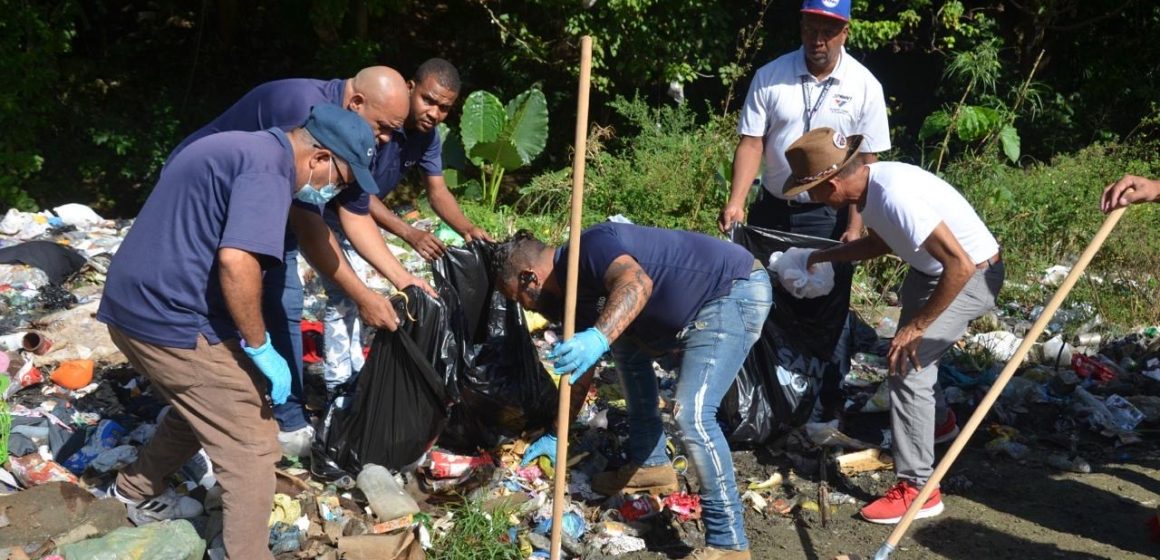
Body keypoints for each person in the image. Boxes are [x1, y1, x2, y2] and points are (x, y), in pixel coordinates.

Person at [97, 105, 380, 558]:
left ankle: (132, 490)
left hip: (139, 302)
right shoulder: (269, 171)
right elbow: (237, 261)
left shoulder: (247, 148)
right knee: (251, 441)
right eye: (342, 179)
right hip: (165, 316)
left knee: (210, 404)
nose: (337, 191)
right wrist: (259, 345)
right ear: (319, 158)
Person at [166, 66, 445, 455]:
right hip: (211, 202)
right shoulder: (301, 109)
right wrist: (363, 296)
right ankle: (245, 411)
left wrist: (404, 280)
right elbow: (310, 225)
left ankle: (282, 411)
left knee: (285, 302)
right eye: (382, 128)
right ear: (356, 103)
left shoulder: (350, 133)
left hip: (270, 208)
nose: (384, 140)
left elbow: (355, 212)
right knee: (232, 300)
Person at [495, 223, 773, 560]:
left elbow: (638, 283)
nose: (527, 308)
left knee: (693, 414)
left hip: (731, 291)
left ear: (529, 278)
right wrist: (557, 435)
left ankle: (729, 543)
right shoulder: (573, 298)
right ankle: (651, 462)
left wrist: (598, 337)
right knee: (622, 343)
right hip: (695, 307)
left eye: (519, 298)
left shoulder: (590, 248)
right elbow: (582, 373)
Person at [784, 127, 1004, 524]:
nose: (811, 199)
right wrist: (822, 255)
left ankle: (918, 488)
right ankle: (938, 424)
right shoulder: (870, 188)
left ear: (833, 183)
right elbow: (881, 243)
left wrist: (918, 326)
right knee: (908, 359)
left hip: (970, 278)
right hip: (932, 272)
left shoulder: (893, 195)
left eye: (813, 190)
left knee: (906, 366)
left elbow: (961, 265)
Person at [717, 0, 898, 427]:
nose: (818, 40)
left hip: (829, 216)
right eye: (811, 28)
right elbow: (752, 142)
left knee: (825, 309)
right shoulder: (771, 76)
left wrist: (856, 225)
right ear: (800, 25)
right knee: (763, 300)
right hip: (774, 211)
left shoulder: (864, 85)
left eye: (828, 31)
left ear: (845, 33)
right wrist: (737, 200)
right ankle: (764, 394)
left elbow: (868, 162)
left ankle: (825, 399)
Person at [320, 59, 494, 392]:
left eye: (444, 108)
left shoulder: (427, 138)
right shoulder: (380, 122)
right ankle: (338, 383)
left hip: (356, 215)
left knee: (355, 291)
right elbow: (358, 192)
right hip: (329, 206)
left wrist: (468, 229)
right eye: (428, 100)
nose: (434, 112)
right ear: (410, 88)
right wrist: (408, 232)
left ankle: (352, 373)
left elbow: (437, 190)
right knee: (346, 291)